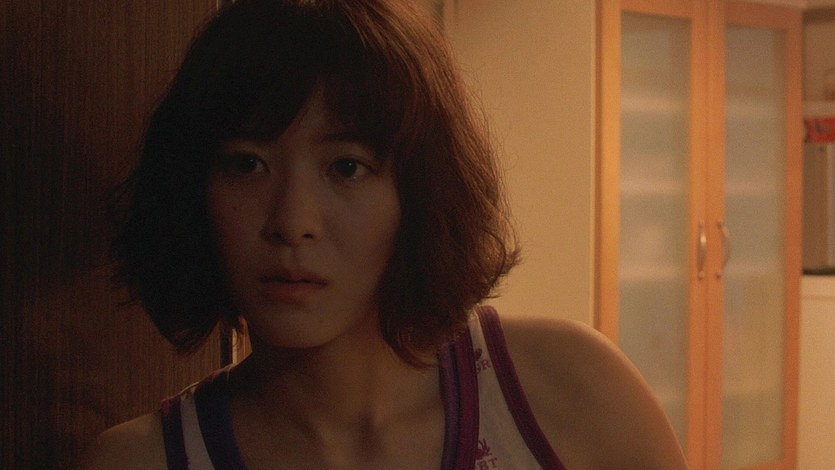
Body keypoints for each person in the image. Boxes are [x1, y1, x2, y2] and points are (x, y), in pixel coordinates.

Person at [80, 0, 688, 468]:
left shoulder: (569, 392)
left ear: (418, 193)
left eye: (347, 168)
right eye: (247, 164)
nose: (292, 222)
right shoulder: (139, 461)